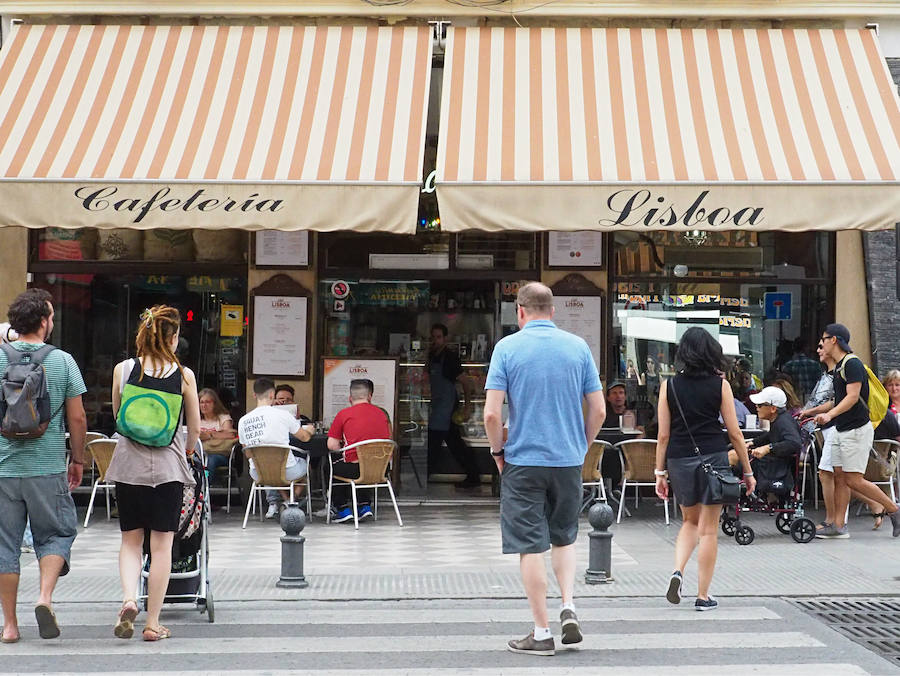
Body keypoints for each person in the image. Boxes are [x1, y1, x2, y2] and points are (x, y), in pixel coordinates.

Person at [483, 282, 605, 656]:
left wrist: (497, 451)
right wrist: (580, 446)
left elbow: (491, 413)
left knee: (529, 546)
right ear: (553, 312)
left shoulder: (507, 348)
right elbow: (599, 410)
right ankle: (569, 604)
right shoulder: (578, 347)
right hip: (568, 461)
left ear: (520, 312)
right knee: (564, 537)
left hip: (523, 461)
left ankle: (541, 632)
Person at [106, 305, 200, 642]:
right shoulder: (183, 374)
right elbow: (195, 427)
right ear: (173, 338)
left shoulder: (123, 369)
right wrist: (187, 453)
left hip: (128, 466)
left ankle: (129, 598)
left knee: (131, 540)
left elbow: (119, 416)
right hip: (168, 468)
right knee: (161, 546)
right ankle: (152, 622)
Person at [0, 289, 85, 644]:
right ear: (44, 321)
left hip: (4, 470)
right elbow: (77, 417)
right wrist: (78, 459)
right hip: (47, 466)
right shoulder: (63, 361)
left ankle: (9, 625)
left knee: (5, 545)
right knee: (56, 534)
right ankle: (44, 598)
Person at [654, 327, 755, 613]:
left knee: (689, 522)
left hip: (679, 458)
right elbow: (735, 433)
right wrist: (747, 472)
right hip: (713, 456)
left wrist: (659, 472)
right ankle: (703, 595)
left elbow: (663, 435)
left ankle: (677, 571)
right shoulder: (719, 385)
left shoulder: (668, 386)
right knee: (709, 531)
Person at [813, 323, 900, 538]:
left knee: (853, 479)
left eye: (824, 339)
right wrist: (812, 411)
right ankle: (838, 525)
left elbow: (852, 397)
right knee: (839, 477)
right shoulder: (839, 367)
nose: (821, 343)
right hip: (842, 429)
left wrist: (829, 416)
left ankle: (894, 510)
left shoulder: (852, 364)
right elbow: (839, 400)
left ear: (834, 340)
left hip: (856, 430)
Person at [237, 378, 314, 518]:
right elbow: (304, 437)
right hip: (288, 471)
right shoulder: (284, 415)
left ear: (254, 395)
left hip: (258, 472)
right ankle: (291, 501)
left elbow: (248, 453)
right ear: (272, 395)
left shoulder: (243, 421)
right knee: (305, 466)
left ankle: (285, 501)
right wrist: (310, 429)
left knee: (272, 472)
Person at [327, 379, 392, 523]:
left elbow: (332, 445)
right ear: (370, 396)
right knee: (363, 465)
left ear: (350, 398)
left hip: (355, 469)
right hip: (382, 468)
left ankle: (342, 509)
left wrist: (344, 450)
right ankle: (364, 506)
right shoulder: (382, 414)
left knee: (333, 464)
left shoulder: (344, 414)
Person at [427, 323, 480, 489]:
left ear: (445, 338)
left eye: (438, 337)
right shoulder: (432, 356)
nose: (435, 340)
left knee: (435, 443)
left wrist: (467, 406)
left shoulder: (449, 358)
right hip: (438, 407)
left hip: (447, 408)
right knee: (454, 444)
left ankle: (422, 476)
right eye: (433, 337)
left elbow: (465, 382)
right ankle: (473, 476)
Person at [742, 387, 802, 503]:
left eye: (760, 405)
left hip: (776, 465)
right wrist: (753, 442)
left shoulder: (784, 422)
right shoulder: (779, 420)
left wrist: (768, 448)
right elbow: (771, 435)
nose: (757, 408)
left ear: (773, 408)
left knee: (734, 457)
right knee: (735, 454)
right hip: (774, 462)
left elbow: (794, 443)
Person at [198, 388, 236, 478]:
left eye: (207, 402)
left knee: (210, 460)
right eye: (201, 402)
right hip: (200, 453)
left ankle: (205, 486)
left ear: (215, 403)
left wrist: (209, 435)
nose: (204, 405)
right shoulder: (197, 420)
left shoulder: (224, 418)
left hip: (220, 454)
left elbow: (229, 435)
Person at [782, 338, 824, 403]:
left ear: (794, 348)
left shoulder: (787, 366)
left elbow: (785, 386)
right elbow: (821, 385)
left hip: (795, 399)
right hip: (812, 399)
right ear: (805, 348)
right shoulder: (815, 364)